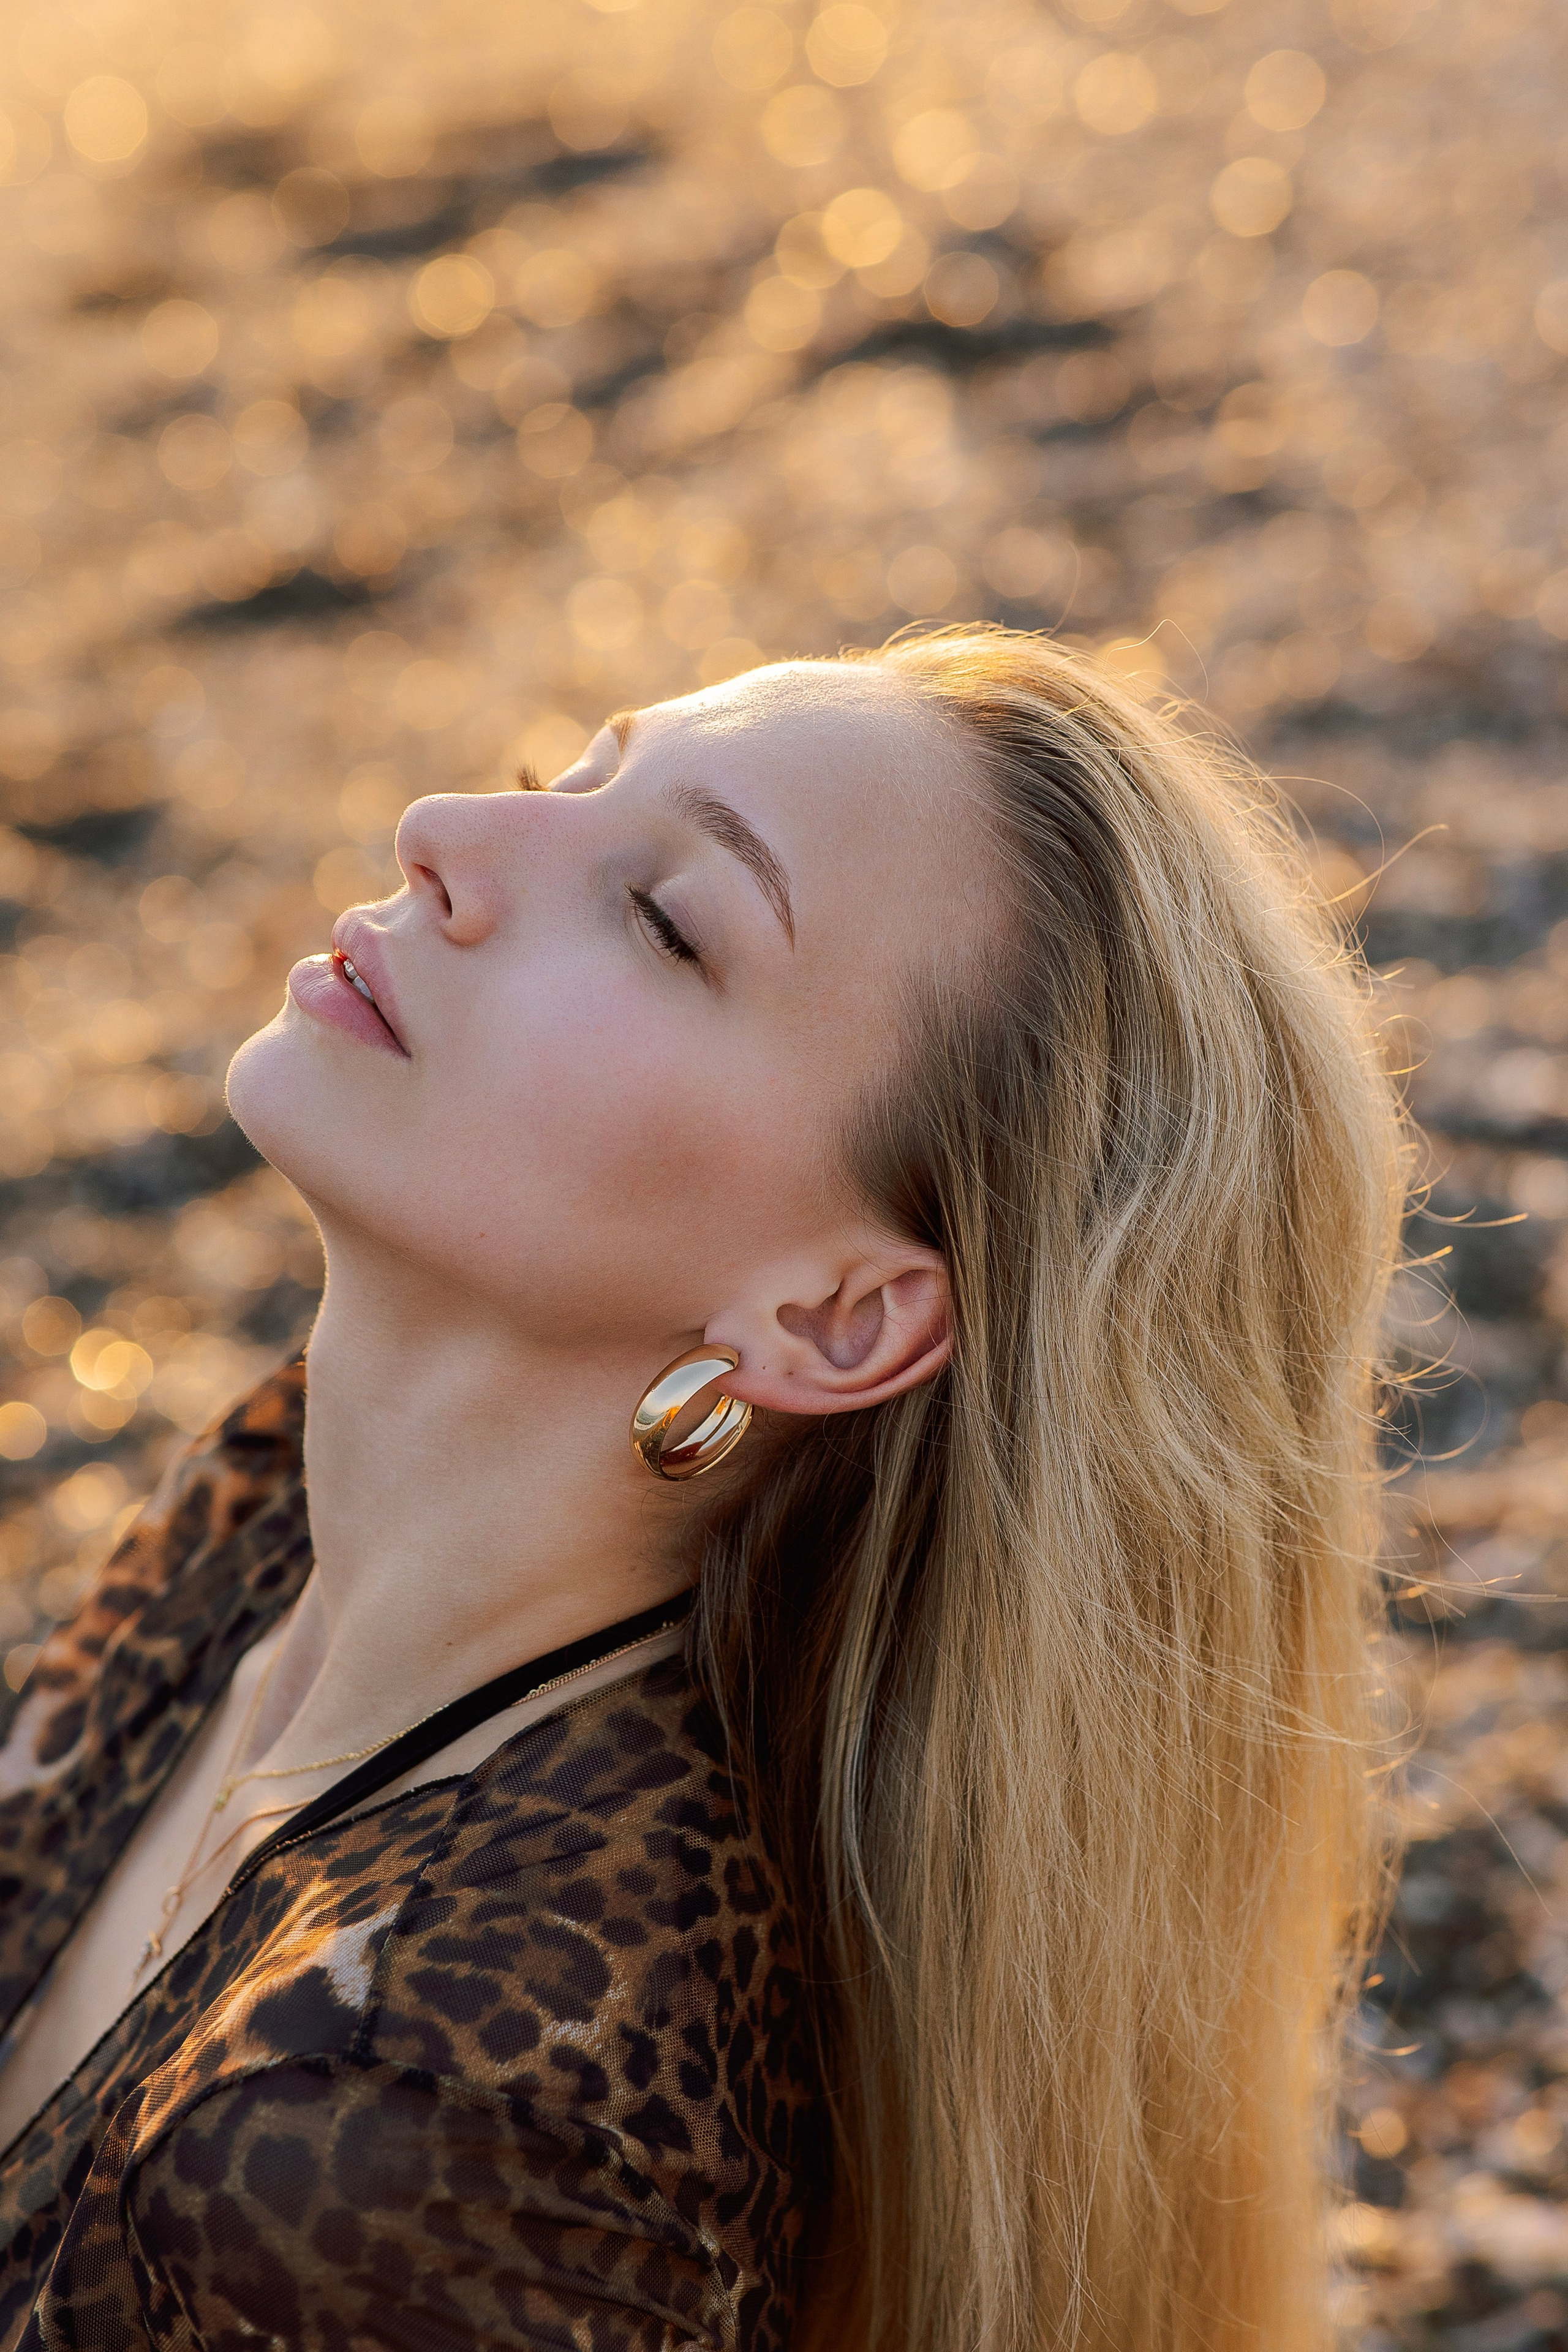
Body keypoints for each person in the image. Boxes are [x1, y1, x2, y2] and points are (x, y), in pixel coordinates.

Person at [0, 625, 1405, 2352]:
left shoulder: (421, 2139)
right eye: (567, 780)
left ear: (834, 1315)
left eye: (667, 919)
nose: (444, 829)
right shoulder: (282, 1493)